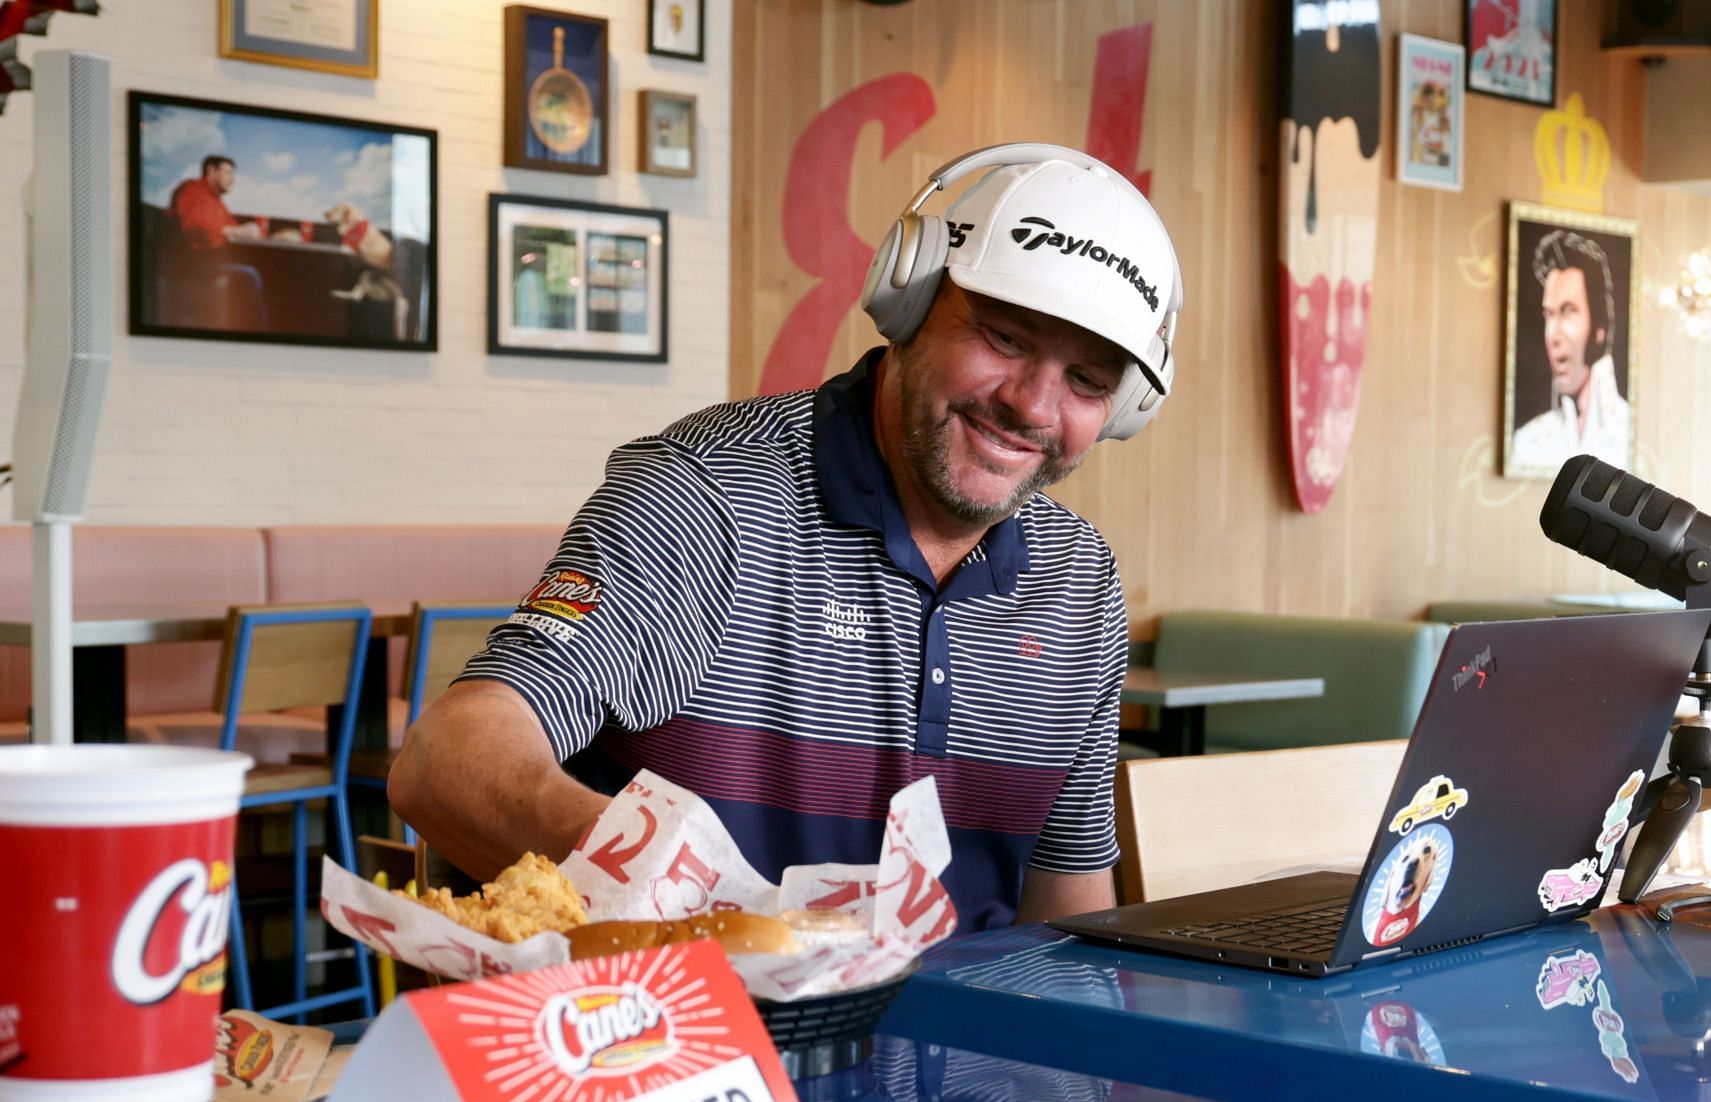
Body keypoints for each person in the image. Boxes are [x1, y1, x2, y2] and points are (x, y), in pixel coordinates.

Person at [390, 144, 1182, 933]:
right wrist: (688, 893)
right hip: (697, 1038)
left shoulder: (1080, 581)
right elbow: (443, 763)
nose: (1035, 407)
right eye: (1006, 337)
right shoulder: (707, 498)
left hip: (962, 1053)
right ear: (909, 302)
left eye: (1088, 381)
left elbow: (1066, 911)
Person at [1507, 228, 1632, 475]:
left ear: (1600, 327)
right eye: (1549, 315)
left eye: (1568, 311)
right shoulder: (1528, 441)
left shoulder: (1628, 428)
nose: (1554, 334)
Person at [167, 155, 263, 250]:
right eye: (227, 173)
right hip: (190, 259)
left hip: (208, 257)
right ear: (211, 171)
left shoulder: (219, 203)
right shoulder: (192, 189)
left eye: (232, 174)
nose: (232, 180)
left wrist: (248, 230)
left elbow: (233, 227)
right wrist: (238, 231)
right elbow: (198, 228)